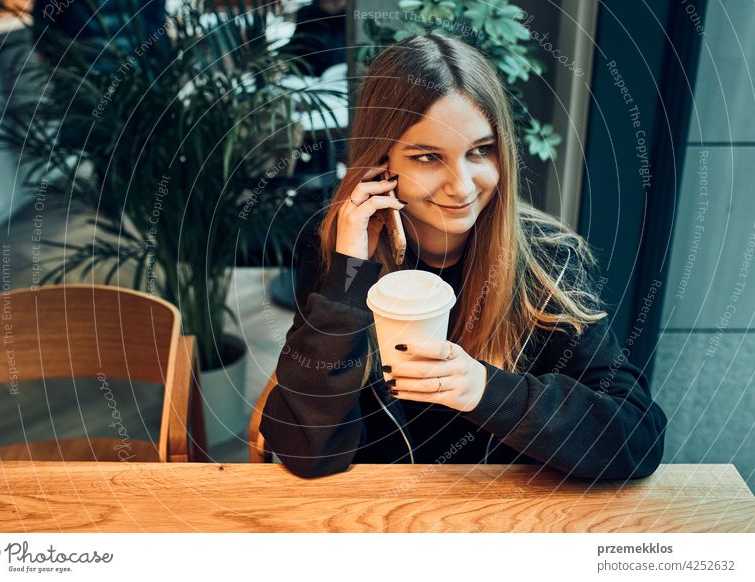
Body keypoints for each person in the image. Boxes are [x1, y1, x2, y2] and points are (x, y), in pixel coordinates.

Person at [260, 32, 667, 480]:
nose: (463, 186)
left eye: (480, 151)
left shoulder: (547, 260)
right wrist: (348, 276)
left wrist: (485, 390)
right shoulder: (341, 252)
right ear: (382, 163)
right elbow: (307, 451)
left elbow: (635, 437)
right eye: (428, 157)